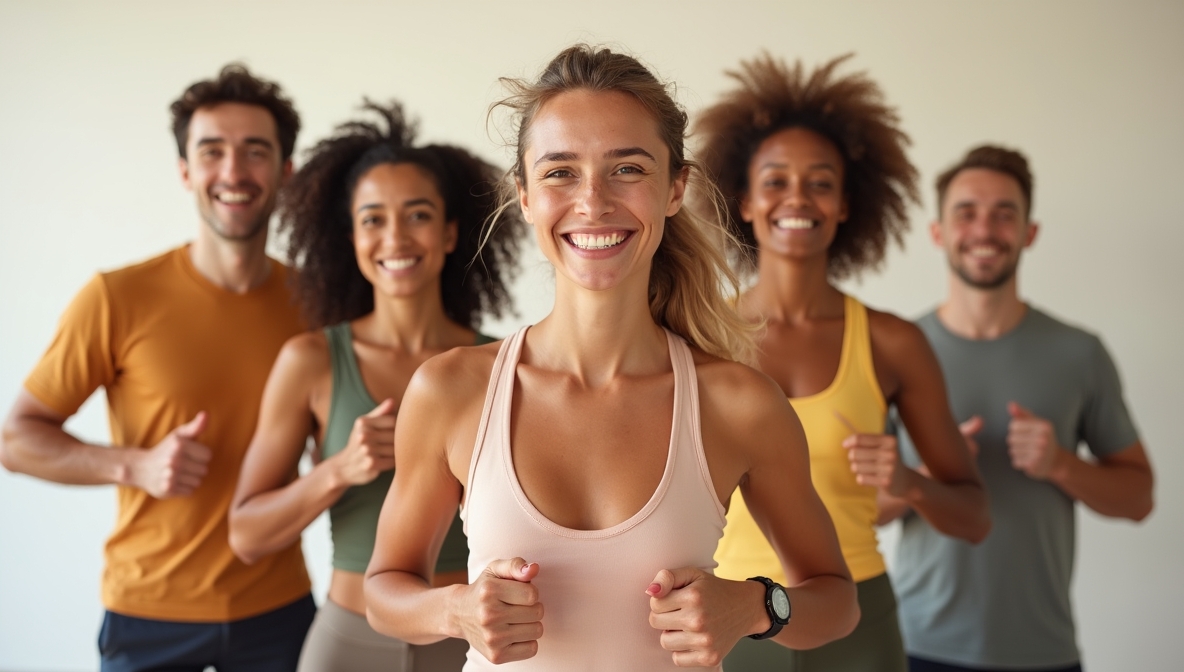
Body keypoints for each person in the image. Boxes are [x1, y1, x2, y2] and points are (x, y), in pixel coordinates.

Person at [363, 44, 860, 670]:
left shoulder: (738, 403)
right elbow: (383, 590)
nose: (593, 202)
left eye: (627, 169)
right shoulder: (451, 389)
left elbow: (837, 602)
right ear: (524, 195)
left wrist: (757, 606)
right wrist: (453, 610)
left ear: (675, 188)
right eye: (560, 171)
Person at [0, 64, 315, 671]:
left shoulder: (315, 304)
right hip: (148, 612)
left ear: (285, 171)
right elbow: (16, 440)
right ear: (185, 171)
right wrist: (134, 465)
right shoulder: (117, 298)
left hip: (279, 611)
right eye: (212, 151)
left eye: (255, 151)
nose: (232, 171)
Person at [695, 53, 991, 671]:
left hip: (854, 621)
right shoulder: (696, 332)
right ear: (743, 201)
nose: (797, 197)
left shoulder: (891, 342)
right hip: (731, 622)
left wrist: (907, 484)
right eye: (775, 180)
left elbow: (974, 517)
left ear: (847, 205)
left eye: (821, 181)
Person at [228, 100, 525, 672]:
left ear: (448, 232)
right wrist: (338, 469)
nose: (396, 237)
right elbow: (247, 534)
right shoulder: (311, 361)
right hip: (347, 644)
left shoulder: (505, 365)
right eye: (373, 218)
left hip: (472, 644)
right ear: (351, 237)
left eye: (417, 215)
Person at [879, 145, 1155, 672]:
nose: (985, 230)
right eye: (967, 213)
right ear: (938, 233)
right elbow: (853, 511)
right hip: (916, 648)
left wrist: (1061, 465)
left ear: (1029, 233)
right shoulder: (894, 351)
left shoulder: (1080, 353)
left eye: (1004, 214)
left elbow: (1139, 498)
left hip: (1043, 653)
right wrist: (928, 475)